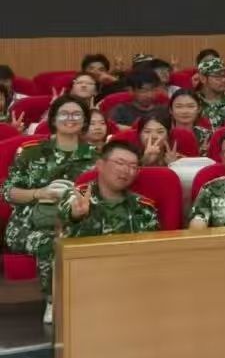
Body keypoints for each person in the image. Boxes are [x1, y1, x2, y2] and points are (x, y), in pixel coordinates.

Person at [4, 95, 99, 311]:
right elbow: (8, 192)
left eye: (76, 114)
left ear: (85, 121)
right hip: (29, 223)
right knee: (52, 243)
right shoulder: (31, 152)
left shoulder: (96, 157)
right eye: (64, 114)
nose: (70, 119)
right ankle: (54, 302)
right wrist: (39, 193)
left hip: (76, 221)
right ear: (53, 119)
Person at [58, 138, 160, 244]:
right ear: (100, 165)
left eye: (133, 166)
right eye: (120, 163)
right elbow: (66, 214)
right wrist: (76, 215)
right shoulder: (78, 195)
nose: (126, 170)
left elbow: (152, 247)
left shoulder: (143, 207)